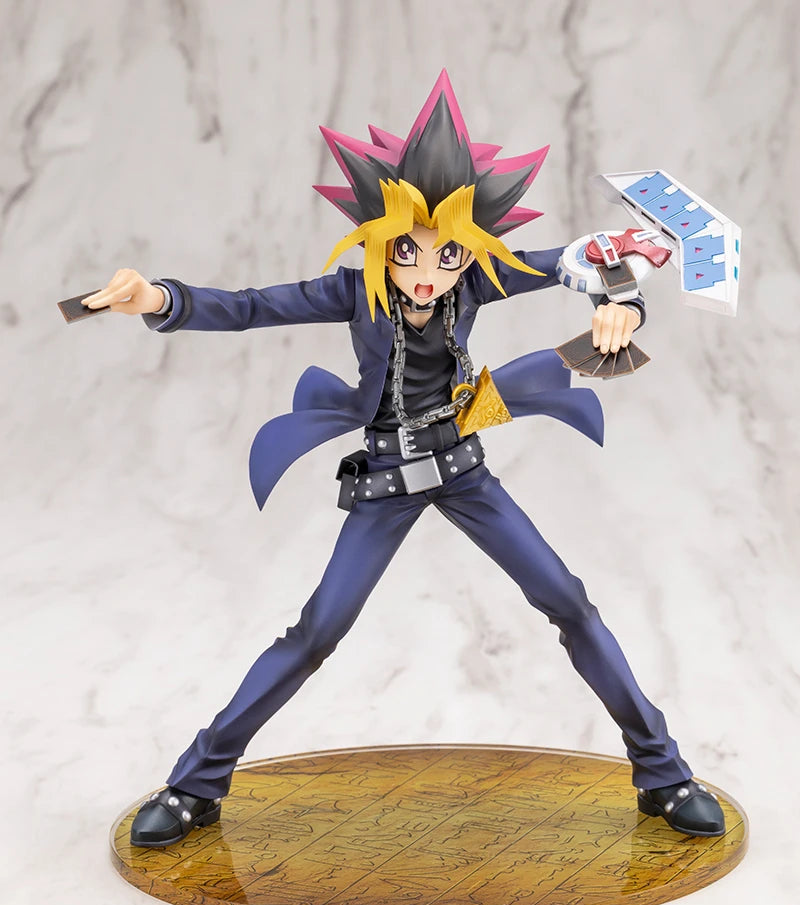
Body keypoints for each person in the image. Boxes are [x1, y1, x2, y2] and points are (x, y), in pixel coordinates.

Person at [85, 71, 725, 846]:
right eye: (407, 251)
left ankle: (663, 774)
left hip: (464, 470)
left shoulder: (479, 280)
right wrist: (160, 299)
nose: (427, 273)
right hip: (385, 480)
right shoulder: (354, 292)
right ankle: (195, 785)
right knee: (315, 632)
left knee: (570, 603)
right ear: (377, 239)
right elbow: (250, 306)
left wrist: (622, 305)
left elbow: (586, 260)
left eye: (448, 254)